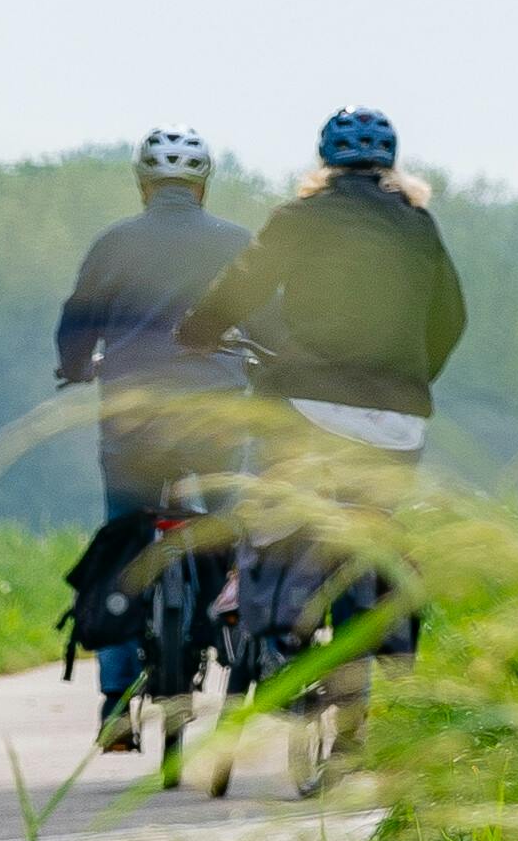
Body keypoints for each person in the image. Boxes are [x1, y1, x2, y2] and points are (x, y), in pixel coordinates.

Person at [178, 106, 465, 694]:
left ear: (324, 164)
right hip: (398, 421)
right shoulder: (419, 225)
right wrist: (412, 377)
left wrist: (199, 329)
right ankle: (370, 664)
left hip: (310, 405)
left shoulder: (300, 218)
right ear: (391, 167)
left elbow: (244, 284)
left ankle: (278, 638)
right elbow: (451, 319)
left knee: (278, 512)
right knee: (373, 529)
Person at [51, 125, 250, 749]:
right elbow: (269, 322)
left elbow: (78, 317)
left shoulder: (114, 243)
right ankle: (242, 634)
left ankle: (115, 704)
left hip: (134, 418)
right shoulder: (238, 244)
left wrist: (77, 366)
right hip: (216, 413)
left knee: (123, 535)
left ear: (144, 185)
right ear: (203, 185)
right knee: (230, 522)